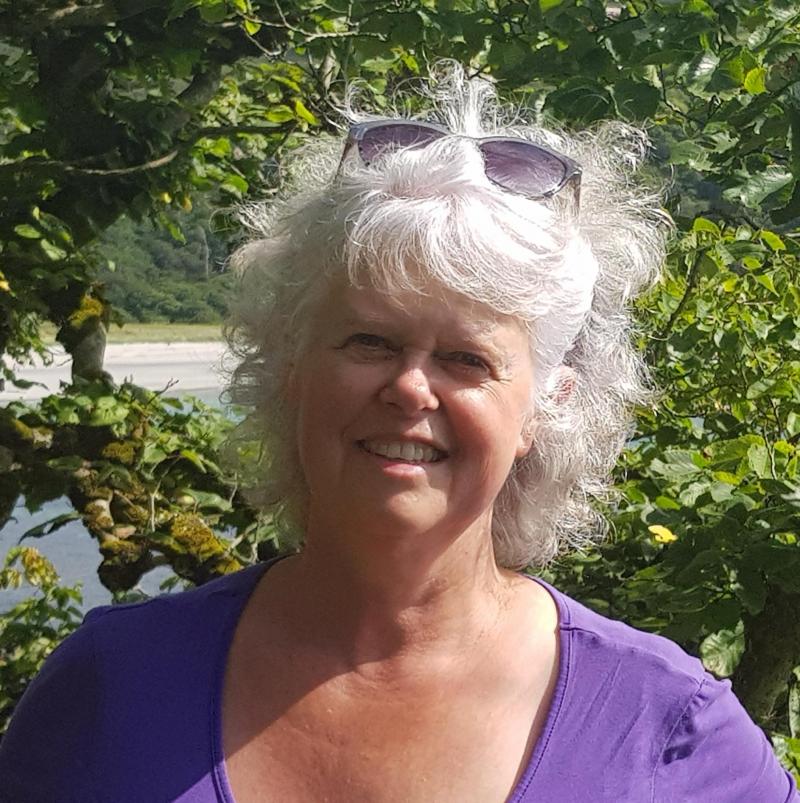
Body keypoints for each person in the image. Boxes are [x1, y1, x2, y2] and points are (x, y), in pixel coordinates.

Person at [0, 65, 797, 803]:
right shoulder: (112, 687)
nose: (411, 387)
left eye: (466, 358)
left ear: (545, 406)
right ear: (292, 366)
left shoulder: (665, 729)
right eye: (370, 341)